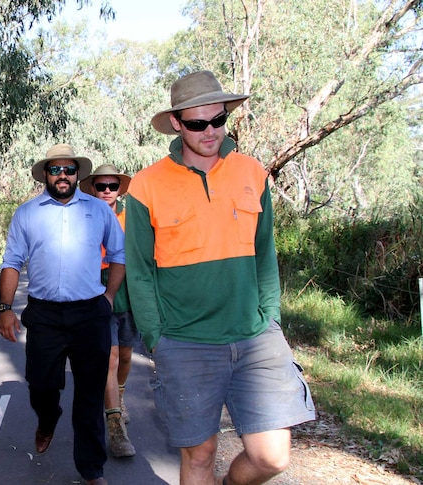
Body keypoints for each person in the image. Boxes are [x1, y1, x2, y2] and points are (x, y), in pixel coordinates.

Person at [125, 70, 316, 485]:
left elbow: (265, 254)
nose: (209, 131)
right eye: (197, 123)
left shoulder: (253, 172)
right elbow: (139, 272)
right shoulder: (145, 186)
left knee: (272, 457)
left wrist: (271, 316)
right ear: (176, 123)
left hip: (256, 338)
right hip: (185, 342)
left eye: (218, 120)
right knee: (199, 456)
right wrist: (157, 338)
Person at [0, 144, 125, 485]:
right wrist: (6, 308)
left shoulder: (99, 210)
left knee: (89, 393)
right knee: (41, 385)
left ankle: (91, 469)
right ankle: (47, 418)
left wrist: (108, 297)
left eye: (69, 169)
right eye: (56, 170)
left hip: (90, 314)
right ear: (45, 175)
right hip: (44, 315)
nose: (63, 175)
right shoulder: (27, 213)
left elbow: (118, 254)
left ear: (78, 173)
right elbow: (11, 262)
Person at [79, 163, 137, 458]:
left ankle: (121, 395)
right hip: (97, 289)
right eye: (100, 186)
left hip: (129, 289)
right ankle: (115, 424)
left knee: (125, 355)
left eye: (111, 186)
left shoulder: (132, 216)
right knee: (110, 357)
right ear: (91, 188)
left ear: (119, 189)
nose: (106, 192)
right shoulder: (85, 216)